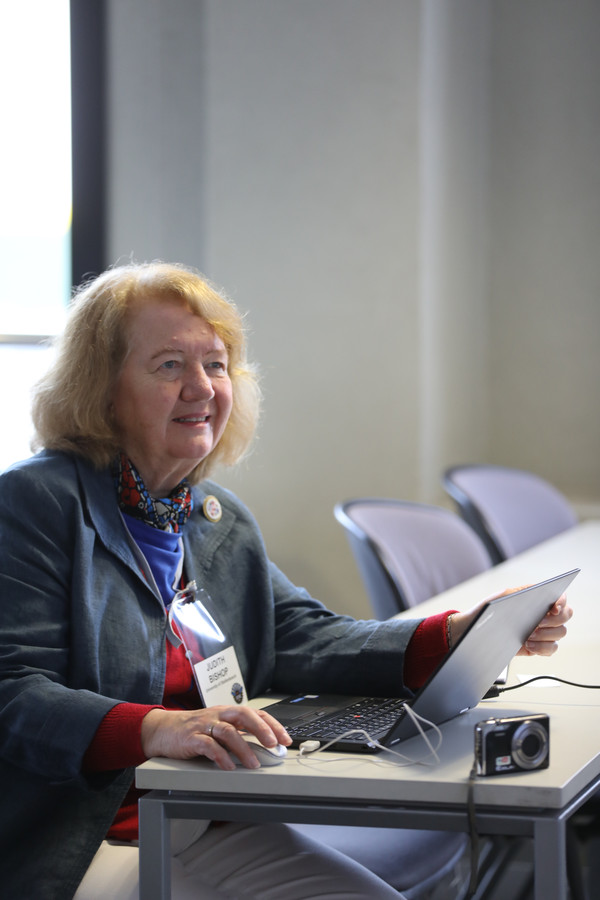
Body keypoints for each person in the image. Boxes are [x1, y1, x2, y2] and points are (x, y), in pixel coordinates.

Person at [0, 262, 572, 900]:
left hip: (211, 812)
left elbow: (298, 635)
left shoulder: (212, 517)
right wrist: (154, 727)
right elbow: (12, 692)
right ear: (103, 388)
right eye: (169, 365)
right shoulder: (36, 503)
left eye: (216, 365)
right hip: (87, 836)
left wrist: (454, 635)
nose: (201, 387)